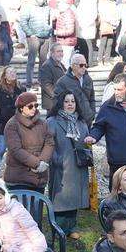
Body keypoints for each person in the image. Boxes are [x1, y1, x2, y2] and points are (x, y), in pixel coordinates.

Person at [47, 91, 91, 240]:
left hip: (78, 164)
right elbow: (48, 143)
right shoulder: (52, 121)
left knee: (75, 197)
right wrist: (55, 159)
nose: (70, 104)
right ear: (61, 103)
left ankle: (72, 226)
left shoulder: (81, 122)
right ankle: (59, 227)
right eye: (67, 101)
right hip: (61, 165)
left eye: (73, 101)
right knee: (61, 198)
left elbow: (86, 139)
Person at [3, 90, 53, 193]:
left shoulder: (43, 123)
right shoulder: (12, 124)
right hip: (18, 179)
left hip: (39, 178)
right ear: (21, 108)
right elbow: (16, 149)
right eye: (30, 106)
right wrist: (36, 163)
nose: (34, 108)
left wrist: (42, 162)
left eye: (36, 105)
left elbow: (49, 143)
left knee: (36, 209)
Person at [0, 66, 20, 180]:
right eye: (10, 72)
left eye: (14, 72)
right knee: (1, 149)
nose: (12, 74)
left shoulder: (20, 88)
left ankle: (14, 172)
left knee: (16, 150)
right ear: (5, 75)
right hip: (3, 125)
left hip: (17, 125)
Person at [53, 53, 97, 127]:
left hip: (87, 121)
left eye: (85, 65)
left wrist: (92, 113)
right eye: (81, 65)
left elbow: (92, 99)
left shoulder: (88, 79)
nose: (84, 68)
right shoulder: (63, 81)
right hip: (71, 122)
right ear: (73, 66)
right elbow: (57, 101)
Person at [38, 43, 66, 114]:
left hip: (60, 101)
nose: (61, 53)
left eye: (62, 51)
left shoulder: (60, 64)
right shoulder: (47, 65)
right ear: (52, 53)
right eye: (58, 51)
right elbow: (46, 84)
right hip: (52, 103)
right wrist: (57, 96)